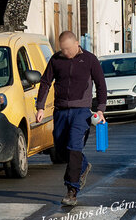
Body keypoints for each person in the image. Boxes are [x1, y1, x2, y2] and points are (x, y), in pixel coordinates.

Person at [35, 31, 107, 207]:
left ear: (76, 44)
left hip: (81, 111)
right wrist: (40, 106)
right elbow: (45, 82)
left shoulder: (90, 59)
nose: (65, 53)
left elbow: (101, 84)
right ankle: (83, 165)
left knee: (74, 147)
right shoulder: (56, 59)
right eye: (62, 50)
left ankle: (71, 190)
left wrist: (101, 109)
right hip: (60, 110)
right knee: (61, 150)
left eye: (68, 49)